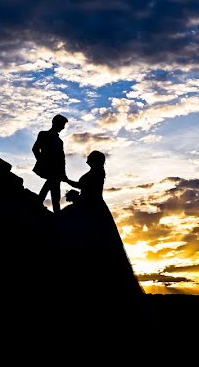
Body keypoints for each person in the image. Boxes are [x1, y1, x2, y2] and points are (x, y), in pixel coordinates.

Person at [61, 150, 143, 306]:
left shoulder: (97, 173)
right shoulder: (95, 172)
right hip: (90, 206)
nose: (87, 161)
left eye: (90, 159)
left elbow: (87, 190)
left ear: (95, 161)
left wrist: (68, 182)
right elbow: (85, 189)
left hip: (91, 208)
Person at [32, 114, 68, 213]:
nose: (63, 127)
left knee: (54, 189)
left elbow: (62, 159)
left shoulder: (60, 141)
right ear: (55, 123)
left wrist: (63, 173)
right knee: (54, 190)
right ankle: (55, 212)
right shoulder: (43, 134)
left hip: (57, 171)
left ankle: (40, 203)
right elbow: (35, 149)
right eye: (62, 124)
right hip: (50, 169)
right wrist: (42, 162)